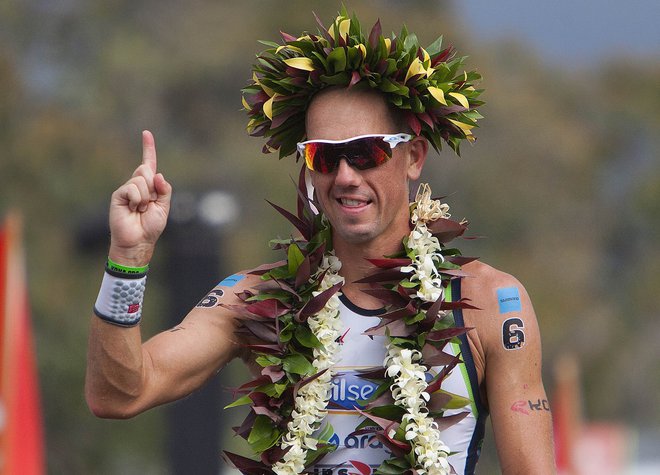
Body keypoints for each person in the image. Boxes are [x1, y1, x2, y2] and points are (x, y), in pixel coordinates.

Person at [86, 10, 555, 475]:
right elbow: (118, 394)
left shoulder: (489, 302)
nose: (346, 176)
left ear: (412, 157)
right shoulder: (255, 299)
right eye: (324, 156)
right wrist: (128, 258)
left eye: (365, 152)